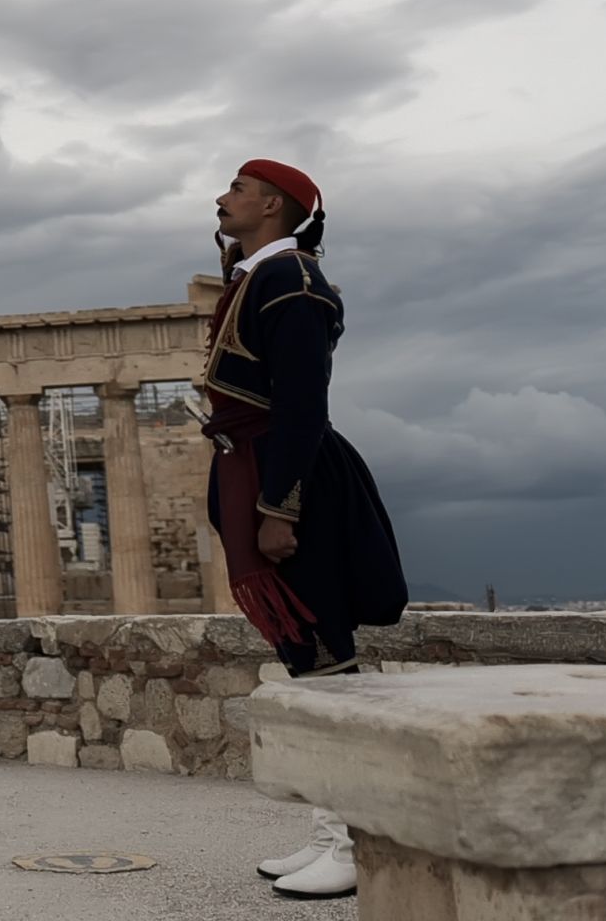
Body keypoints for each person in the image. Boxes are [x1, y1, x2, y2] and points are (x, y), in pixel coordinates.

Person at [202, 161, 406, 900]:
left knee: (322, 649)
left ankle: (354, 840)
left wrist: (278, 506)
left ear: (273, 204)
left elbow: (302, 403)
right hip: (251, 463)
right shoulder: (259, 276)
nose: (221, 198)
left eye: (235, 189)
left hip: (286, 473)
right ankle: (333, 830)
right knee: (304, 654)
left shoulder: (292, 281)